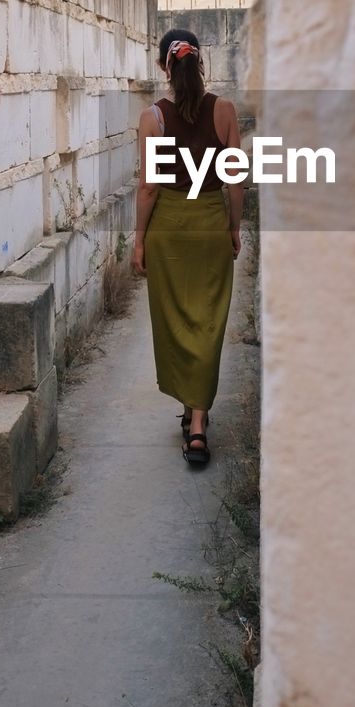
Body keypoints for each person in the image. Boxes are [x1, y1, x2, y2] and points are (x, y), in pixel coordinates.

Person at [133, 28, 243, 465]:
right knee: (208, 320)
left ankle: (191, 418)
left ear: (165, 67)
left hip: (170, 228)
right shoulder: (226, 111)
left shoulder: (152, 118)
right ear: (200, 64)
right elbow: (235, 180)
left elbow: (148, 189)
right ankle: (198, 419)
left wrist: (139, 240)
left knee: (177, 317)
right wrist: (233, 228)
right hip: (210, 223)